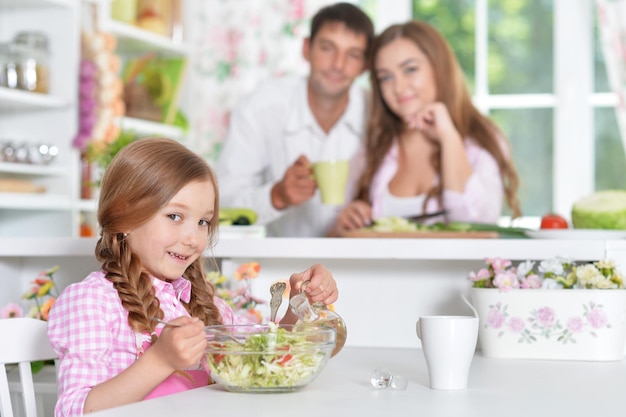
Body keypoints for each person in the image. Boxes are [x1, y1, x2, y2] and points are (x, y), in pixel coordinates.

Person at [47, 138, 339, 417]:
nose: (192, 238)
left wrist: (298, 304)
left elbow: (261, 359)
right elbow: (75, 410)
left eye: (203, 222)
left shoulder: (197, 301)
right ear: (124, 218)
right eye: (175, 216)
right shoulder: (93, 301)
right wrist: (160, 360)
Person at [330, 20, 521, 234]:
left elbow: (476, 226)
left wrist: (449, 138)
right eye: (386, 77)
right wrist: (346, 222)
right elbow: (340, 237)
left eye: (410, 70)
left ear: (439, 68)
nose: (399, 88)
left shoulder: (483, 140)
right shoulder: (376, 146)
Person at [215, 2, 374, 237]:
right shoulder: (260, 108)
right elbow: (222, 204)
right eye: (327, 48)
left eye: (353, 55)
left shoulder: (377, 114)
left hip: (358, 261)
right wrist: (277, 196)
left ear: (365, 65)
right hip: (277, 265)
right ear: (307, 48)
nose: (338, 65)